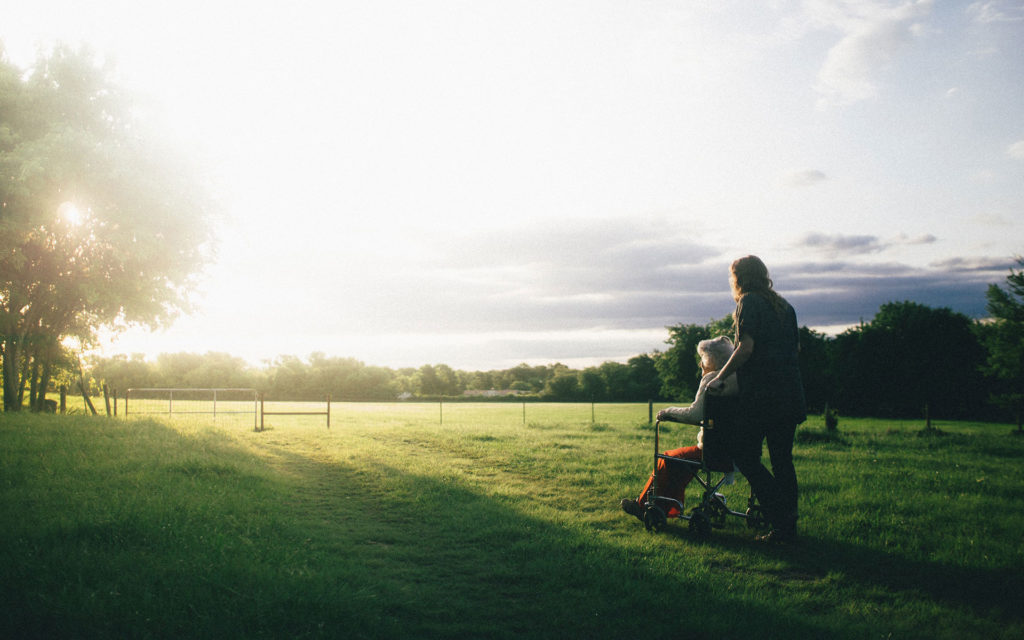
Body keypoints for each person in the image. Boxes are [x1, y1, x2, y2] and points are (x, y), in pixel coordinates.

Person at [708, 255, 806, 542]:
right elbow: (794, 349)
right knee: (782, 461)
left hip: (764, 397)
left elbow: (745, 348)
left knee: (745, 456)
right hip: (790, 393)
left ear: (738, 278)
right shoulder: (785, 307)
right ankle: (787, 528)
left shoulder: (748, 302)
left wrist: (720, 377)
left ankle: (780, 515)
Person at [620, 336, 738, 520]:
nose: (701, 364)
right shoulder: (737, 379)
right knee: (681, 461)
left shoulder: (711, 380)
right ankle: (667, 508)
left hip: (714, 451)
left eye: (703, 358)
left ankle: (643, 505)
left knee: (668, 458)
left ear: (712, 360)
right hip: (737, 450)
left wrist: (668, 412)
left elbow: (694, 415)